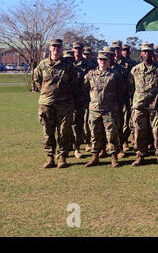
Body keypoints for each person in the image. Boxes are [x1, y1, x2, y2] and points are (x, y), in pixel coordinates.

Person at [33, 38, 78, 168]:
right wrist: (46, 93)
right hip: (46, 104)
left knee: (64, 132)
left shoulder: (68, 65)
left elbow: (74, 83)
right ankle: (49, 157)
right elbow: (37, 80)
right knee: (48, 132)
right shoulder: (42, 65)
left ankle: (62, 157)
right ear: (49, 48)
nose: (56, 49)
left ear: (61, 49)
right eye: (53, 47)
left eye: (58, 47)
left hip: (64, 104)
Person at [128, 44, 158, 167]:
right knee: (139, 132)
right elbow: (130, 87)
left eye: (149, 52)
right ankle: (140, 155)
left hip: (156, 106)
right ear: (141, 53)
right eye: (144, 52)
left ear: (153, 54)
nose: (147, 54)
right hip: (139, 106)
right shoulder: (135, 70)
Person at [83, 50, 125, 168]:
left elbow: (121, 90)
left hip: (110, 109)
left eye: (105, 60)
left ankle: (114, 157)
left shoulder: (114, 75)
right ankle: (95, 157)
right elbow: (84, 87)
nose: (102, 62)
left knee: (111, 134)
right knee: (94, 133)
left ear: (108, 61)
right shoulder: (90, 74)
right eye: (100, 59)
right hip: (94, 109)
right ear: (97, 60)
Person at [71, 42, 95, 159]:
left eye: (80, 49)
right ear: (72, 49)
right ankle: (66, 147)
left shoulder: (89, 65)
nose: (78, 51)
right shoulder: (67, 62)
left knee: (80, 123)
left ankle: (78, 147)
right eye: (76, 48)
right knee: (67, 124)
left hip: (84, 98)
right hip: (68, 99)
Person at [117, 43, 138, 153]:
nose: (124, 51)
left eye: (125, 50)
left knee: (127, 120)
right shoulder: (110, 63)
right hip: (114, 98)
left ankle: (125, 141)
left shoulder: (132, 64)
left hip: (128, 96)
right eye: (123, 49)